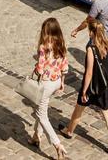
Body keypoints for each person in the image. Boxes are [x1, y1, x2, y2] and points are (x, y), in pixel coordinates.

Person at [60, 18, 108, 154]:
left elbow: (89, 72)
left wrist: (84, 90)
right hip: (105, 85)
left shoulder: (91, 48)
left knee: (79, 108)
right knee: (107, 114)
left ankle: (69, 131)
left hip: (93, 86)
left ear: (91, 32)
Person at [29, 18, 69, 158]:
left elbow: (40, 69)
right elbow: (64, 65)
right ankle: (36, 136)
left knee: (41, 114)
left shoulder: (43, 46)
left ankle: (58, 145)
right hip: (56, 81)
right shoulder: (61, 43)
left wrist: (37, 67)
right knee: (42, 107)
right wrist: (62, 82)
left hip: (45, 84)